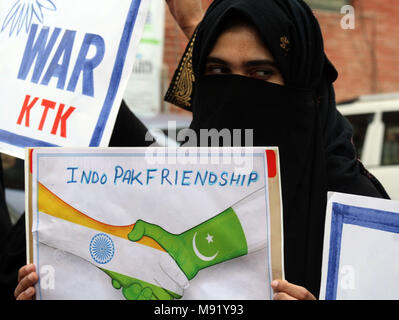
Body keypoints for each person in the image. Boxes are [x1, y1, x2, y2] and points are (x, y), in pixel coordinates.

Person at [14, 0, 390, 300]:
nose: (238, 96)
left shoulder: (364, 220)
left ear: (302, 84)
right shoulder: (167, 195)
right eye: (217, 72)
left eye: (261, 74)